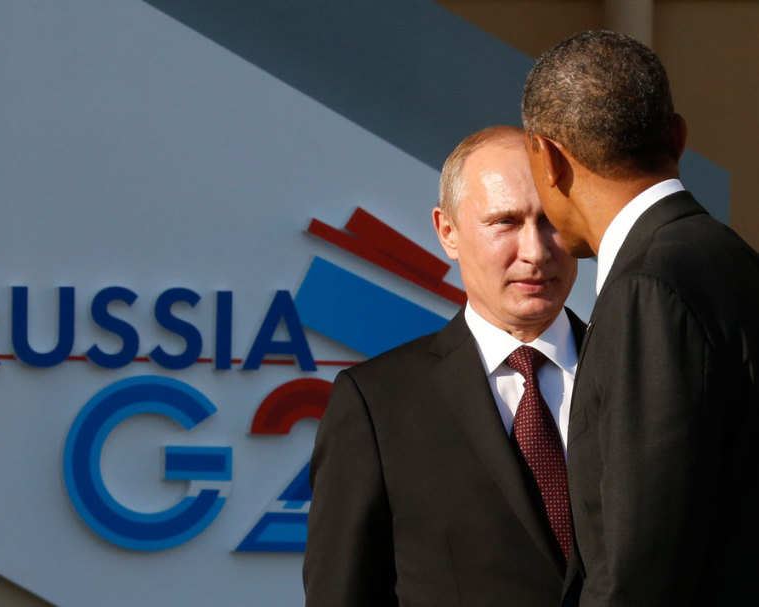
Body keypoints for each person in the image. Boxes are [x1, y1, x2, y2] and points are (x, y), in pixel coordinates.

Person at [522, 30, 759, 606]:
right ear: (678, 136)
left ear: (548, 158)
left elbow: (641, 566)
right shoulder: (731, 258)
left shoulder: (647, 288)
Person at [303, 126, 582, 606]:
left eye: (551, 220)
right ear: (447, 231)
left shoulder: (646, 374)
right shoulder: (378, 404)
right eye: (505, 222)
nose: (535, 252)